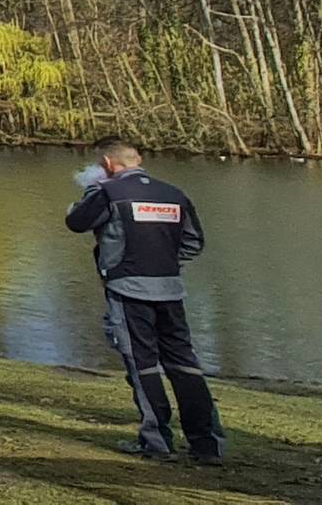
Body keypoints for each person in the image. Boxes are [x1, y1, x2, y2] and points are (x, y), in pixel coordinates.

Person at [66, 138, 224, 465]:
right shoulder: (174, 194)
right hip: (170, 289)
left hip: (128, 289)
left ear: (108, 165)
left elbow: (76, 222)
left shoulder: (107, 192)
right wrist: (166, 263)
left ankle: (157, 441)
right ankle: (206, 444)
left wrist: (90, 193)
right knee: (184, 364)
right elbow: (194, 242)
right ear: (137, 160)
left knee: (143, 364)